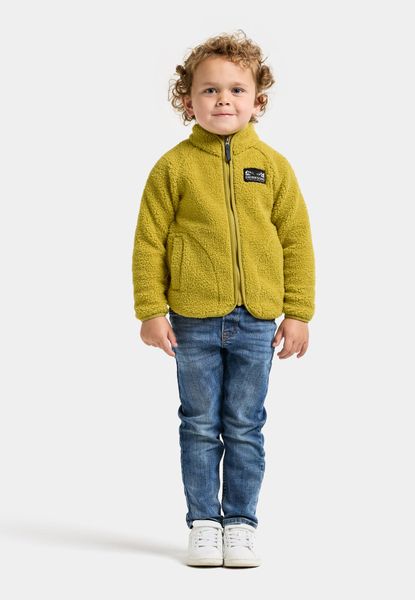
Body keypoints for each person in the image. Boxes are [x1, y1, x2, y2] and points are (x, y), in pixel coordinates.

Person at [132, 30, 315, 568]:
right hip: (191, 319)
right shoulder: (173, 167)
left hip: (257, 320)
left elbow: (296, 240)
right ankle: (203, 523)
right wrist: (150, 309)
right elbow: (149, 241)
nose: (223, 100)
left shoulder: (274, 167)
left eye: (236, 90)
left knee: (244, 425)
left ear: (257, 100)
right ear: (187, 101)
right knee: (197, 424)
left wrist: (298, 312)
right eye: (209, 90)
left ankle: (240, 523)